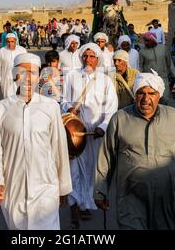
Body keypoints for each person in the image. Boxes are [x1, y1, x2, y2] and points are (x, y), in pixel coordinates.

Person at [95, 70, 175, 230]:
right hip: (130, 197)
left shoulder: (173, 117)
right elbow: (106, 157)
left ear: (159, 95)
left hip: (166, 197)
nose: (146, 99)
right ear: (135, 95)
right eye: (141, 93)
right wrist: (100, 190)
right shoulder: (120, 118)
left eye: (151, 93)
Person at [0, 53, 72, 230]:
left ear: (39, 76)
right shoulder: (0, 109)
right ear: (15, 74)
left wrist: (63, 187)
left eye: (32, 72)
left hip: (46, 186)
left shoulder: (51, 107)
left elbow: (59, 147)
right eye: (22, 71)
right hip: (14, 187)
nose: (27, 77)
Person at [61, 43, 118, 229]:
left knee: (93, 171)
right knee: (74, 171)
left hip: (95, 135)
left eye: (92, 56)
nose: (88, 59)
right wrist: (68, 108)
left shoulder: (105, 81)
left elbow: (111, 108)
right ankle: (75, 209)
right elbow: (63, 99)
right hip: (75, 133)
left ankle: (86, 202)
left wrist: (102, 126)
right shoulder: (71, 76)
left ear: (98, 59)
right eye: (85, 56)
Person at [139, 32, 175, 104]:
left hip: (163, 78)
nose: (145, 43)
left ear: (153, 40)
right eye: (145, 40)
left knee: (165, 99)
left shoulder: (163, 48)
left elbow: (169, 62)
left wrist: (174, 75)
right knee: (152, 99)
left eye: (147, 40)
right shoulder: (142, 51)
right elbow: (140, 67)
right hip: (150, 80)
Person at [0, 33, 27, 99]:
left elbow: (27, 65)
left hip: (20, 80)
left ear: (15, 41)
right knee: (8, 100)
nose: (10, 44)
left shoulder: (22, 50)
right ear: (6, 41)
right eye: (8, 42)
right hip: (6, 80)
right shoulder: (1, 51)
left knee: (20, 100)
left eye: (12, 41)